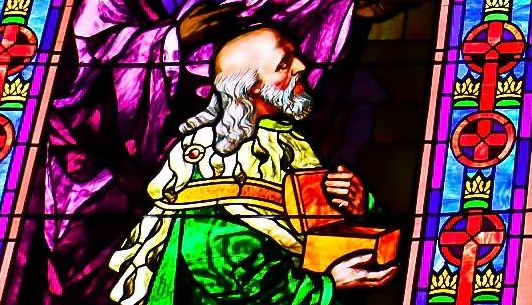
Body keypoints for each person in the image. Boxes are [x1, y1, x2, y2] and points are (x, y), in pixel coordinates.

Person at [32, 0, 387, 303]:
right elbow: (94, 43)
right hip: (123, 135)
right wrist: (174, 39)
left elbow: (289, 12)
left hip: (212, 118)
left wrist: (352, 12)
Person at [106, 27, 397, 304]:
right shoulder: (210, 153)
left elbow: (309, 230)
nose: (301, 66)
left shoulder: (287, 143)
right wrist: (324, 287)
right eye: (284, 64)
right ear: (252, 86)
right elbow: (210, 252)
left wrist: (360, 208)